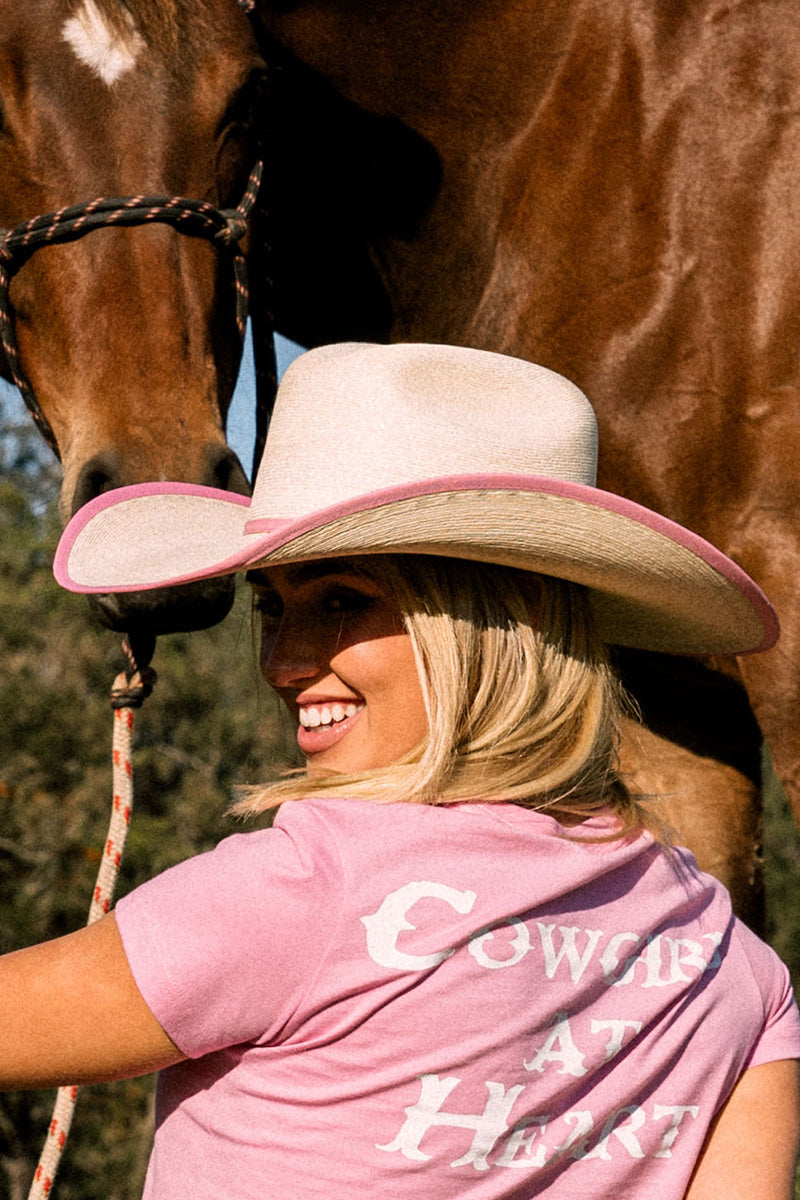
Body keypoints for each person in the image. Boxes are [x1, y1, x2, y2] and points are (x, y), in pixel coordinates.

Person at [5, 342, 799, 1198]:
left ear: (490, 624)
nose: (284, 662)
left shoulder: (303, 894)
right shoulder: (732, 966)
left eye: (344, 600)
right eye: (273, 607)